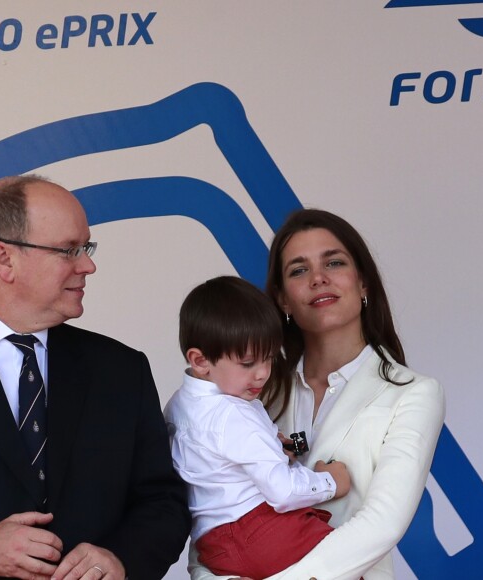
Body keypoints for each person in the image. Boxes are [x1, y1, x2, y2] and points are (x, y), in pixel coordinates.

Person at [0, 175, 191, 580]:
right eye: (68, 250)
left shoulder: (122, 370)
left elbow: (163, 502)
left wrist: (122, 559)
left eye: (86, 248)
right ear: (4, 259)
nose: (88, 265)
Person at [189, 209, 445, 580]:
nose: (319, 278)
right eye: (298, 270)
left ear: (363, 284)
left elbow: (382, 524)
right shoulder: (248, 394)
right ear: (283, 301)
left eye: (334, 262)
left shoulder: (415, 394)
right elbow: (211, 512)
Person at [164, 276, 351, 580]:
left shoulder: (177, 405)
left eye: (268, 358)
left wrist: (269, 443)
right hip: (263, 534)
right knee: (349, 561)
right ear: (200, 360)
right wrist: (330, 481)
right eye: (248, 362)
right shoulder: (235, 413)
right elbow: (283, 492)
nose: (263, 373)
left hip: (214, 548)